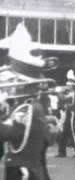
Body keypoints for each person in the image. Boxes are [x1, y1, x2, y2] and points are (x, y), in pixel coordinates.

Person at [0, 22, 58, 180]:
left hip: (23, 173)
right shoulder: (32, 106)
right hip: (31, 169)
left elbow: (6, 133)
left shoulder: (26, 109)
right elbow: (48, 138)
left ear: (21, 82)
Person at [55, 69, 75, 158]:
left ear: (72, 86)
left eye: (68, 85)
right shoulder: (70, 93)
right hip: (68, 114)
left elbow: (63, 99)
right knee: (64, 133)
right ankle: (62, 151)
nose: (67, 86)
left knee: (73, 133)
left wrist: (60, 92)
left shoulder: (73, 93)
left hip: (72, 114)